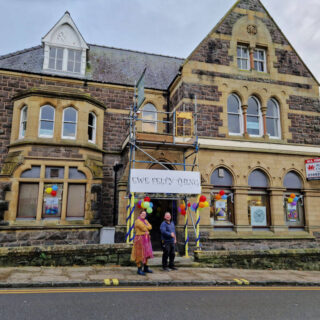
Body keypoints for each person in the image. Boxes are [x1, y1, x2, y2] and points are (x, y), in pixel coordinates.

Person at [131, 210, 154, 276]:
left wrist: (147, 229)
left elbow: (150, 227)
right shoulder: (137, 221)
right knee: (139, 254)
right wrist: (147, 230)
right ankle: (139, 269)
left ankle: (146, 268)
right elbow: (144, 228)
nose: (143, 215)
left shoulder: (145, 221)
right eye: (142, 214)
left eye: (145, 214)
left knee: (146, 253)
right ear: (140, 214)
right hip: (139, 240)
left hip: (146, 239)